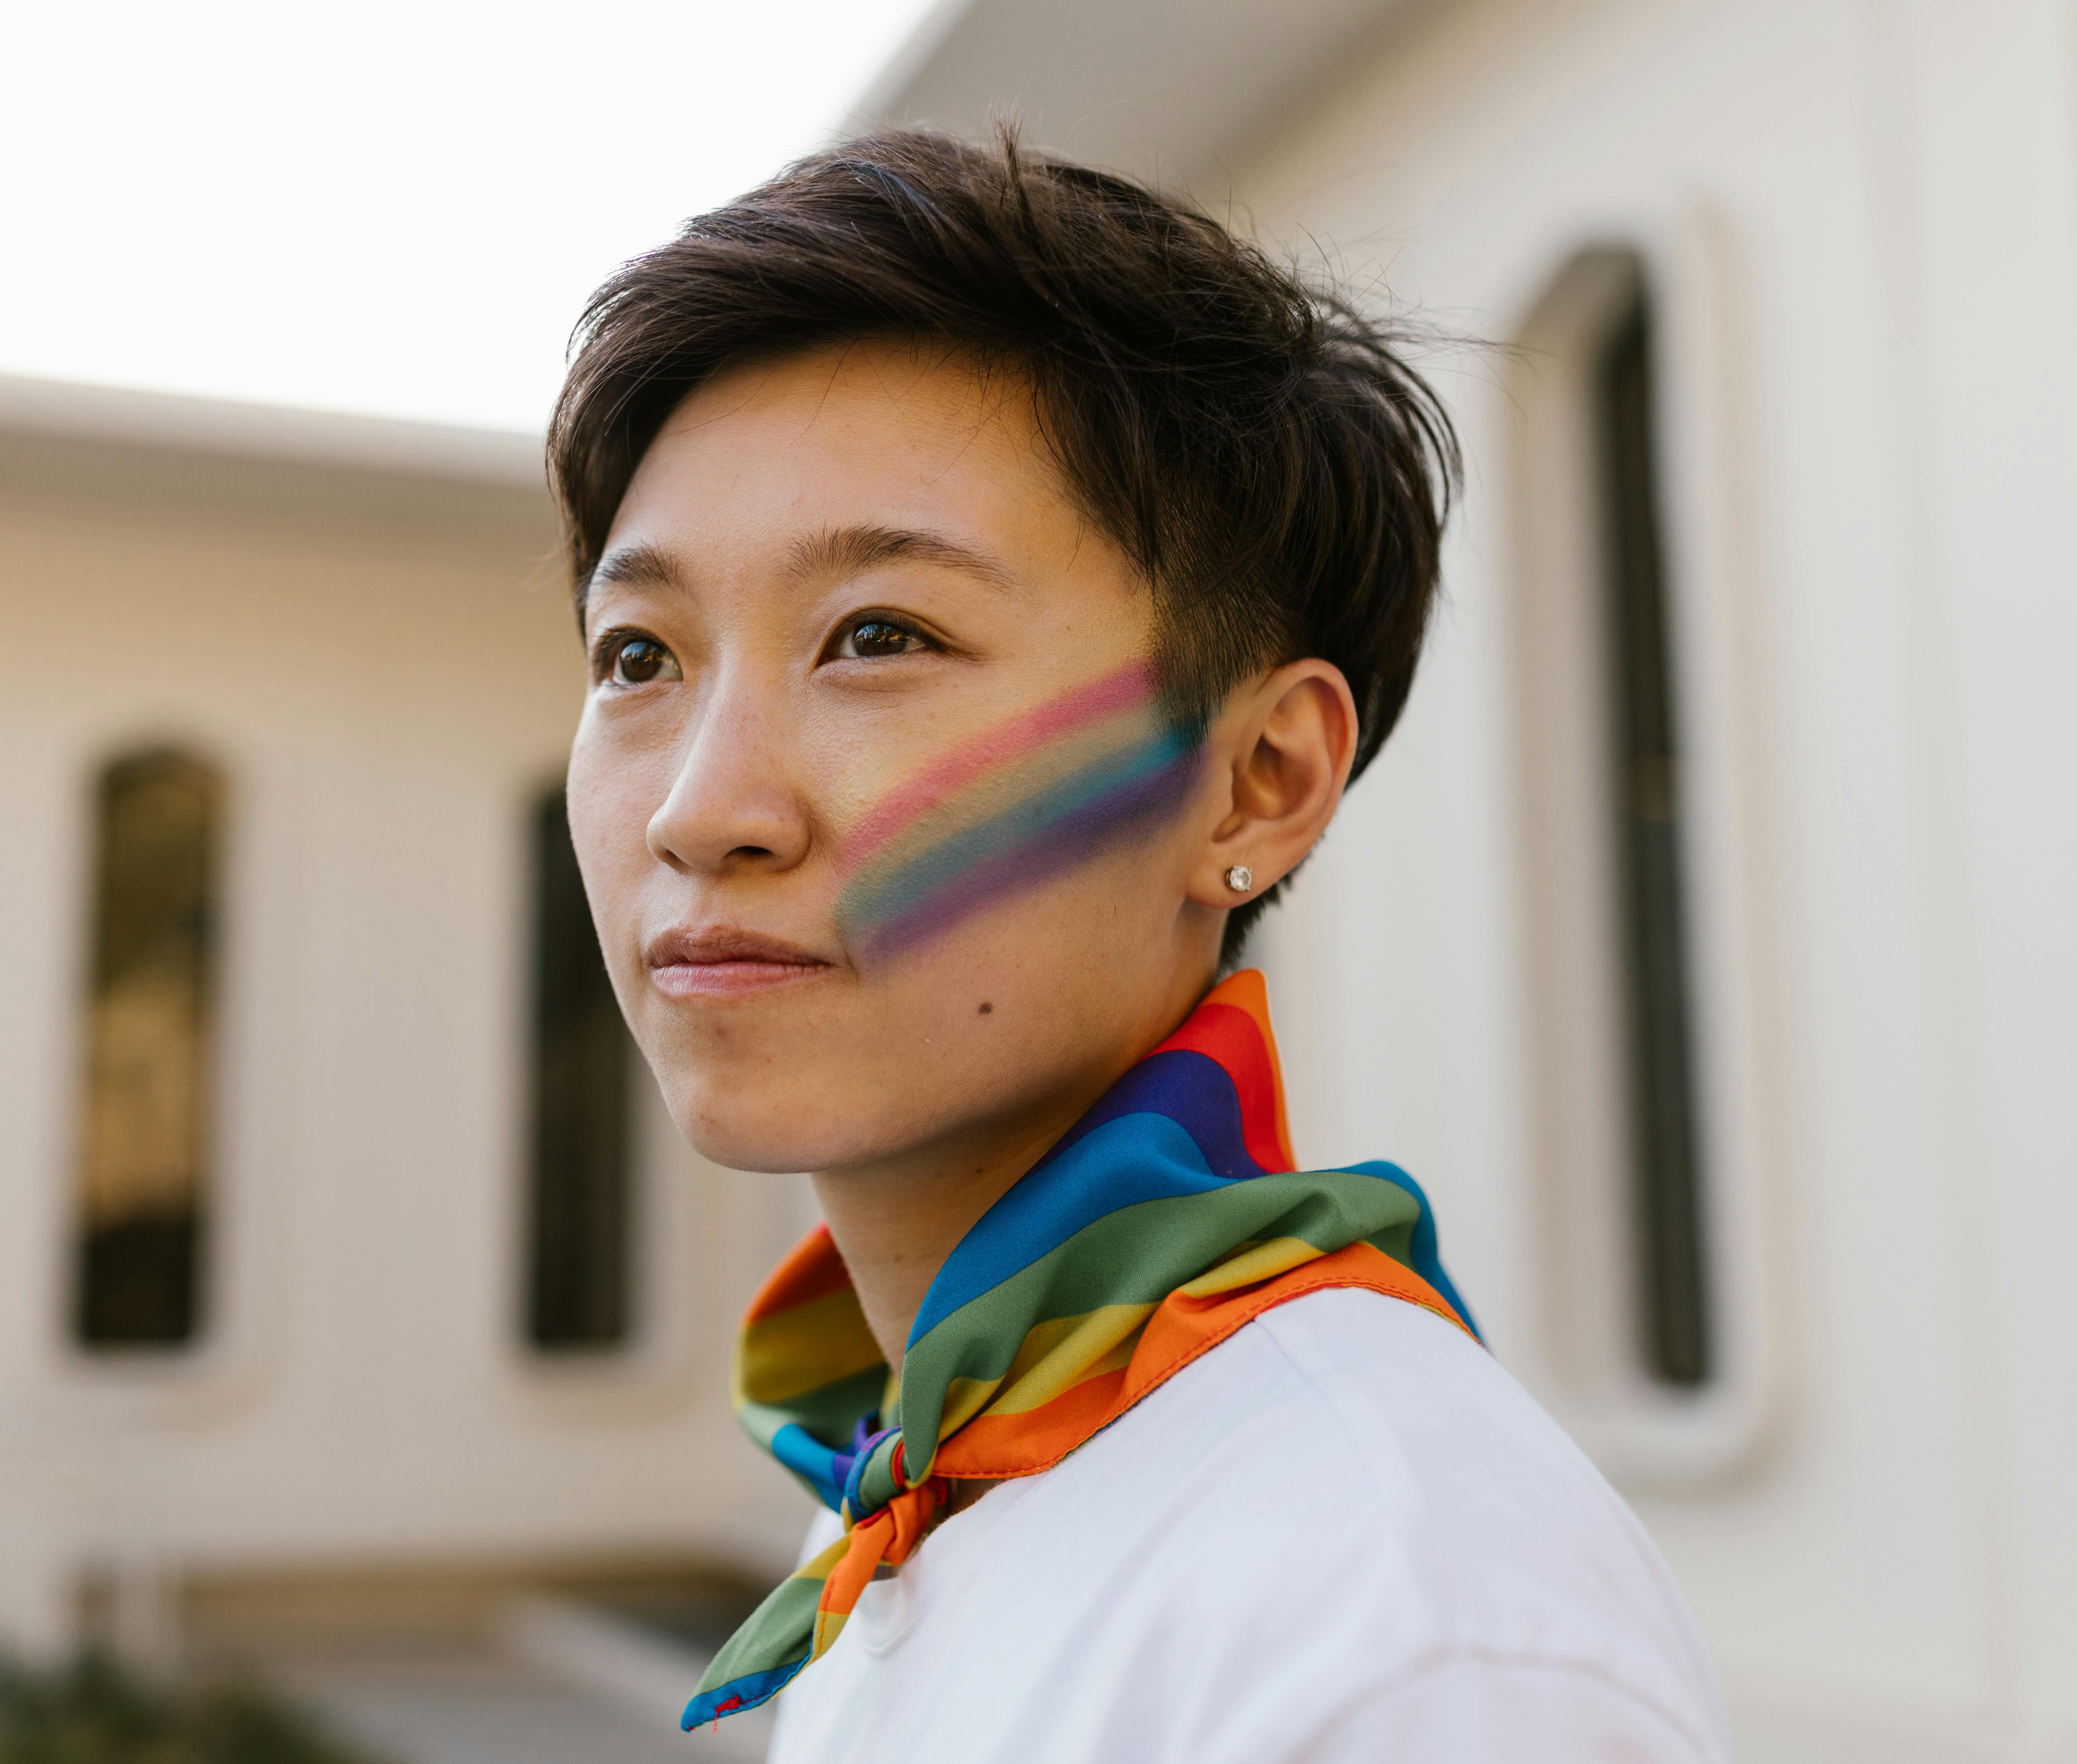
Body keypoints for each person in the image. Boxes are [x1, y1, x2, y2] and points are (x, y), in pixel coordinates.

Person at [546, 129, 1728, 1763]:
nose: (699, 809)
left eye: (879, 636)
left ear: (1259, 778)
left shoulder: (1403, 1624)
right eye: (636, 656)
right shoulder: (918, 1469)